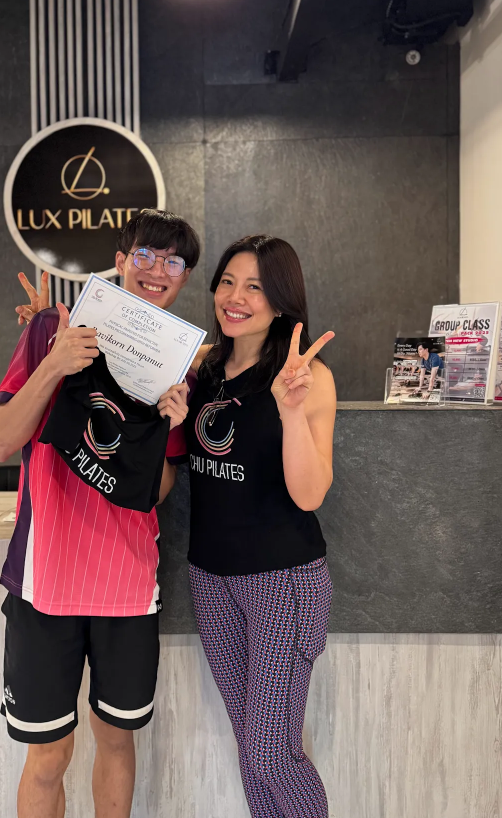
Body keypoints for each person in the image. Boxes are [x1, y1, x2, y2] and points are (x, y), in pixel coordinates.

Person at [0, 208, 199, 818]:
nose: (157, 270)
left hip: (126, 586)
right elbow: (0, 442)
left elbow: (155, 493)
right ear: (121, 260)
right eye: (146, 255)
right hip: (45, 582)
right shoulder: (50, 329)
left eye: (174, 262)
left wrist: (169, 423)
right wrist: (55, 363)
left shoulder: (177, 364)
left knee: (116, 739)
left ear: (184, 277)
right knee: (48, 755)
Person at [186, 235, 336, 818]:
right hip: (210, 578)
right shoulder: (203, 368)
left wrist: (290, 412)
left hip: (282, 582)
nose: (235, 297)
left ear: (280, 301)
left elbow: (310, 494)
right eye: (227, 282)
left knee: (272, 754)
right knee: (253, 751)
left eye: (254, 287)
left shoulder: (306, 377)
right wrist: (48, 331)